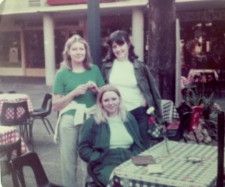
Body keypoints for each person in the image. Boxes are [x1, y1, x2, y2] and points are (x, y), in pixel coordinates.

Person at [52, 34, 104, 187]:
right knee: (68, 160)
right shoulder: (61, 74)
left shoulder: (94, 70)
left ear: (86, 51)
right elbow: (55, 105)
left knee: (88, 159)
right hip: (69, 120)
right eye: (74, 49)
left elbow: (105, 96)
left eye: (81, 48)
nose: (78, 52)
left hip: (90, 118)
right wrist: (73, 93)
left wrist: (96, 90)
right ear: (68, 52)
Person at [101, 30, 162, 150]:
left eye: (121, 44)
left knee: (142, 149)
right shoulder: (106, 66)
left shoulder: (140, 66)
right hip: (116, 113)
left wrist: (147, 101)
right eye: (114, 46)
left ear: (128, 44)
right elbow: (102, 90)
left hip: (138, 113)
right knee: (122, 148)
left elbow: (153, 90)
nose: (118, 49)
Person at [78, 84, 143, 186]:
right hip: (105, 163)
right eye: (106, 100)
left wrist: (133, 157)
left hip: (129, 160)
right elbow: (83, 149)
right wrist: (98, 158)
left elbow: (138, 144)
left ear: (119, 100)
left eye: (114, 99)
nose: (111, 103)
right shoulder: (92, 122)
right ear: (101, 103)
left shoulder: (129, 118)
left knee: (144, 180)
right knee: (119, 183)